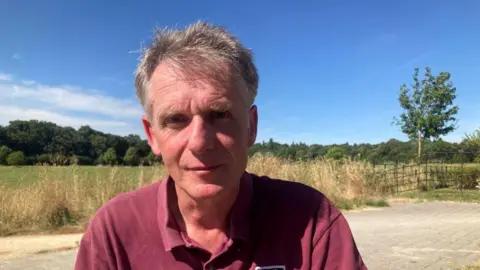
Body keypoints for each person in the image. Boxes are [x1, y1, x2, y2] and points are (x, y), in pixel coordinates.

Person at [74, 21, 367, 270]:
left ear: (251, 127)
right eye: (176, 119)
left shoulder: (311, 220)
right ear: (152, 136)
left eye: (220, 115)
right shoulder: (114, 231)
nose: (200, 142)